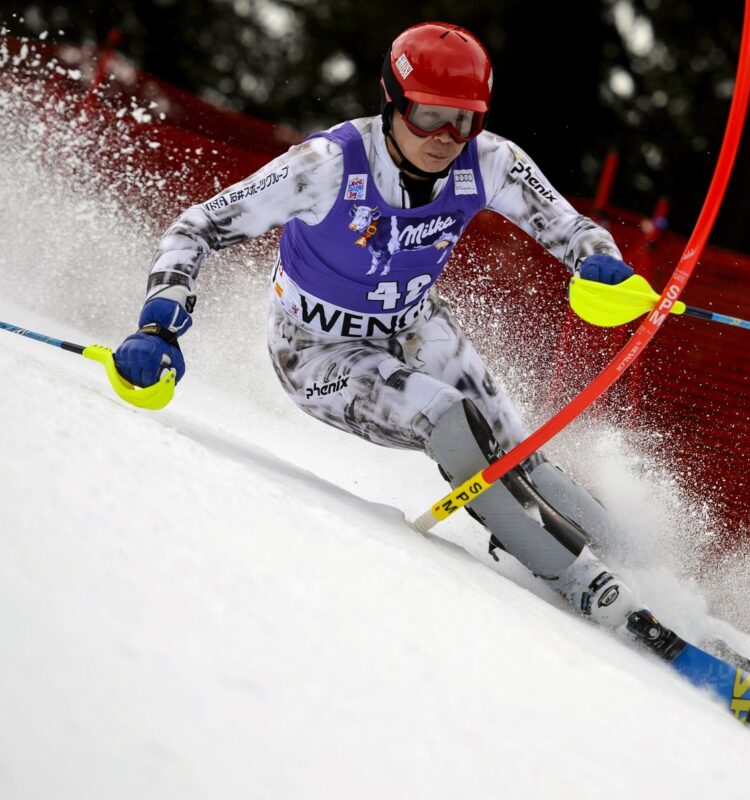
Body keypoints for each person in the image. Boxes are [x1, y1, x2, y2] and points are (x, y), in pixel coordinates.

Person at [112, 21, 685, 655]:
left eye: (463, 121)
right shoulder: (327, 165)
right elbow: (198, 227)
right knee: (448, 418)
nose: (447, 139)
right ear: (393, 101)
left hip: (414, 325)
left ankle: (656, 578)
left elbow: (571, 228)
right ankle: (584, 584)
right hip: (316, 349)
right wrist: (158, 322)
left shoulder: (490, 160)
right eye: (429, 117)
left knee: (523, 453)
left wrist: (597, 261)